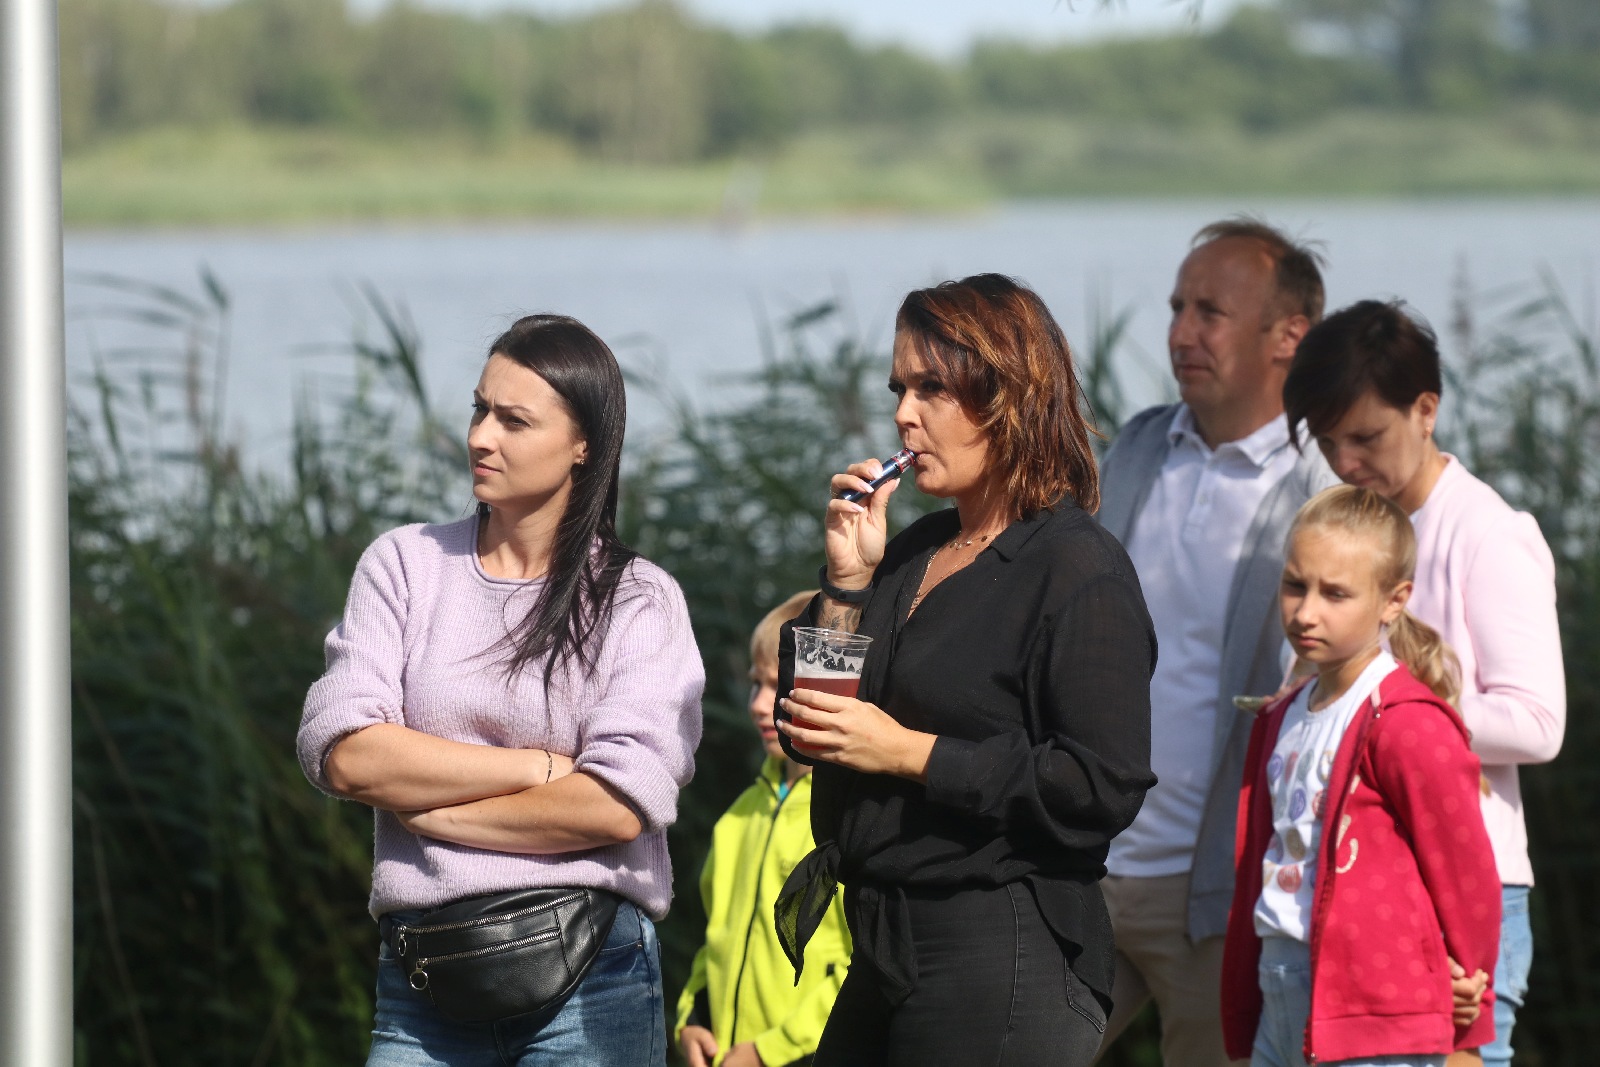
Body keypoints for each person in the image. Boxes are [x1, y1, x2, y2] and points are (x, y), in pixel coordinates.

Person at [296, 314, 704, 1067]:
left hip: (594, 977)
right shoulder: (404, 565)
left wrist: (422, 807)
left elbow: (617, 803)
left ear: (585, 444)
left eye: (514, 420)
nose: (482, 436)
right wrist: (534, 768)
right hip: (425, 979)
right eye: (480, 409)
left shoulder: (637, 599)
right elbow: (346, 754)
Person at [772, 273, 1157, 1067]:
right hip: (883, 946)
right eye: (899, 389)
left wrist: (910, 752)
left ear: (1007, 395)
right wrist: (845, 583)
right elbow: (809, 730)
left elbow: (1100, 784)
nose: (902, 414)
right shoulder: (911, 554)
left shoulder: (1077, 568)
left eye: (931, 387)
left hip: (1002, 945)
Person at [1283, 300, 1564, 1067]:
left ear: (1426, 409)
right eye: (1328, 440)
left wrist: (1385, 714)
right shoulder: (1350, 528)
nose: (1345, 461)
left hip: (1471, 886)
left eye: (1367, 437)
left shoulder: (1485, 533)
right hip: (1365, 888)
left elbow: (1538, 722)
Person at [1094, 218, 1335, 1067]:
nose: (1181, 332)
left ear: (1288, 336)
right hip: (1081, 865)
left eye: (1210, 311)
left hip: (1219, 893)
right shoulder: (1134, 448)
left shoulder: (1322, 487)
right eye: (1176, 307)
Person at [1221, 484, 1501, 1066]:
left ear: (1393, 601)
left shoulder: (1407, 724)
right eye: (1296, 584)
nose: (1305, 611)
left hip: (1376, 1007)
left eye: (1336, 593)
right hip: (1279, 990)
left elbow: (1465, 872)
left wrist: (1473, 1015)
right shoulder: (1276, 718)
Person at [675, 591, 853, 1067]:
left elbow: (862, 966)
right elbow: (716, 941)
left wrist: (769, 1051)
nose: (757, 705)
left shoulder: (850, 818)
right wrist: (694, 1017)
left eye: (777, 685)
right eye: (756, 684)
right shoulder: (737, 817)